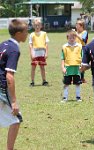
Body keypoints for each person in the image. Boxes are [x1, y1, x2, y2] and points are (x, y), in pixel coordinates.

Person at [0, 19, 28, 150]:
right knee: (16, 119)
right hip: (1, 89)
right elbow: (9, 76)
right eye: (25, 31)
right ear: (18, 33)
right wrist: (14, 102)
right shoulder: (14, 49)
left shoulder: (3, 44)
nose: (27, 34)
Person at [60, 30, 82, 102]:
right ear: (67, 38)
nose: (72, 39)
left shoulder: (79, 46)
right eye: (70, 38)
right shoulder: (64, 47)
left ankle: (78, 97)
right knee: (66, 83)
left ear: (75, 37)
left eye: (73, 37)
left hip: (77, 68)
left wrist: (81, 66)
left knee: (78, 83)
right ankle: (65, 97)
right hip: (68, 68)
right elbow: (63, 58)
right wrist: (63, 67)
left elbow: (82, 57)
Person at [29, 18, 49, 86]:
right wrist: (31, 53)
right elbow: (30, 45)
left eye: (38, 25)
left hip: (42, 52)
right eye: (35, 25)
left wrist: (46, 53)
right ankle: (32, 81)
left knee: (42, 67)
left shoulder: (44, 34)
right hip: (35, 53)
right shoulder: (32, 34)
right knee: (33, 67)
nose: (37, 26)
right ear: (33, 26)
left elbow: (46, 44)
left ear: (41, 26)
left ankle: (44, 81)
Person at [76, 19, 88, 83]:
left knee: (82, 64)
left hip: (82, 49)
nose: (76, 26)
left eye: (77, 24)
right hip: (75, 49)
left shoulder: (84, 32)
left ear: (81, 26)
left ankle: (82, 78)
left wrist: (76, 35)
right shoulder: (76, 33)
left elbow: (83, 40)